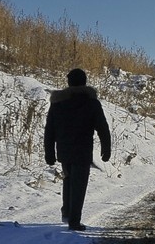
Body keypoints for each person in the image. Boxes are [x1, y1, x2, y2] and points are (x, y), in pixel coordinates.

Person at [44, 68, 111, 231]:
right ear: (84, 82)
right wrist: (106, 148)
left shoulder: (58, 103)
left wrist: (49, 153)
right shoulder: (91, 103)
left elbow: (49, 130)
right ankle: (74, 221)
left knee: (68, 180)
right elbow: (102, 127)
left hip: (64, 151)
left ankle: (67, 213)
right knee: (78, 186)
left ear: (69, 82)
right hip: (82, 151)